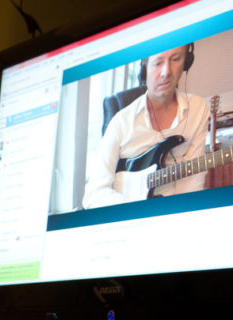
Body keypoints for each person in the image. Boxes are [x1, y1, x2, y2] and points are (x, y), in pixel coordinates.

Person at [83, 44, 210, 208]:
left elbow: (192, 181)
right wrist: (141, 208)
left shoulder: (198, 108)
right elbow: (93, 195)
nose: (166, 72)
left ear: (187, 62)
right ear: (145, 68)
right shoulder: (120, 122)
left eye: (176, 59)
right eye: (158, 62)